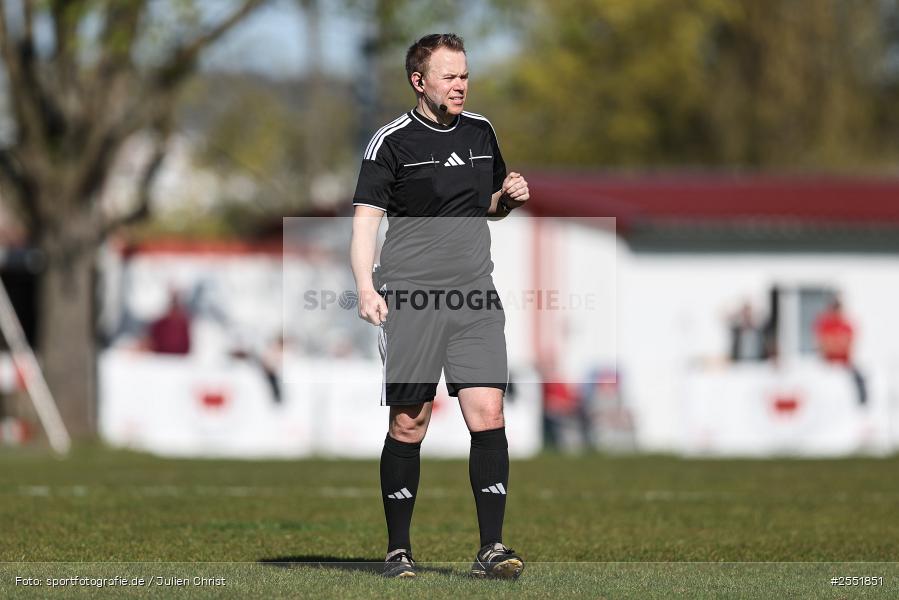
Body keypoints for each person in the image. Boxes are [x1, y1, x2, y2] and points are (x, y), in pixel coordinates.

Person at [349, 33, 529, 579]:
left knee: (489, 414)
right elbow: (365, 223)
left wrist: (507, 198)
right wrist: (365, 287)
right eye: (450, 76)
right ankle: (398, 550)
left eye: (465, 75)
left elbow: (486, 205)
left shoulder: (481, 131)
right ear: (419, 81)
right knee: (410, 422)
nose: (461, 85)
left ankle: (490, 550)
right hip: (411, 297)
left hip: (475, 294)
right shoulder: (391, 142)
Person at [814, 297, 866, 405]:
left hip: (845, 364)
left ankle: (862, 405)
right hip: (827, 363)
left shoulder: (846, 324)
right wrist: (837, 343)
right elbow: (824, 345)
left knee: (860, 379)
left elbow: (848, 344)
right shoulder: (824, 324)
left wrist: (835, 343)